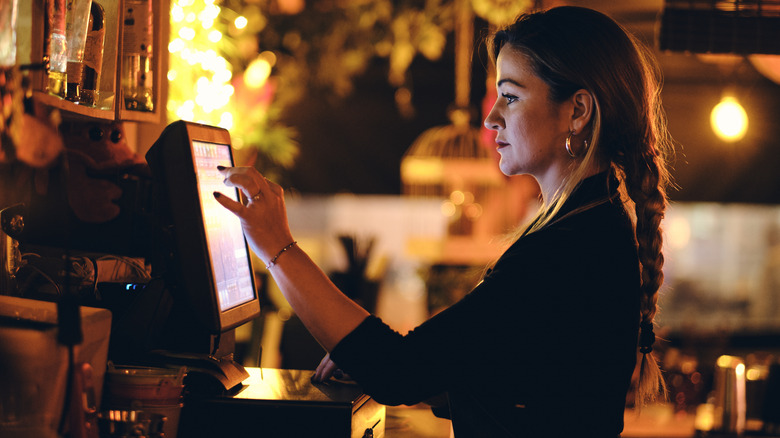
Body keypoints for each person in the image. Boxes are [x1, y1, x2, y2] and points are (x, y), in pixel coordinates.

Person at [214, 5, 672, 437]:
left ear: (577, 111)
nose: (492, 117)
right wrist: (400, 367)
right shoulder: (588, 226)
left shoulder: (568, 248)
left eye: (510, 96)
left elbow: (398, 371)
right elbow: (530, 386)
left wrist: (276, 247)